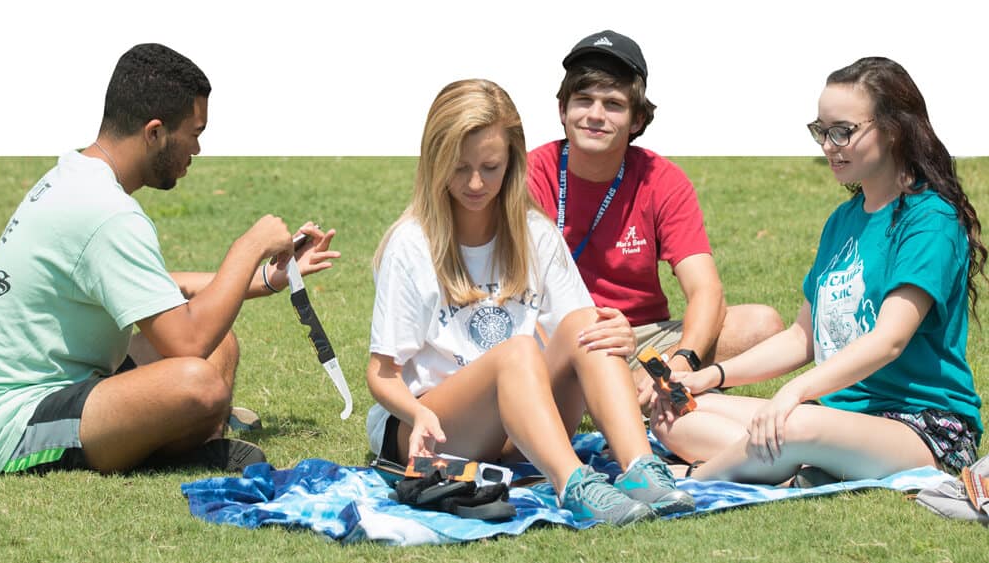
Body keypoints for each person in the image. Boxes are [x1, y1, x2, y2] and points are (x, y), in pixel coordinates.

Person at [0, 43, 339, 476]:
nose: (198, 148)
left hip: (71, 387)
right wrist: (247, 247)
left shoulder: (77, 176)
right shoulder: (107, 213)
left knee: (219, 346)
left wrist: (267, 276)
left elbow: (154, 286)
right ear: (154, 132)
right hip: (18, 421)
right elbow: (187, 342)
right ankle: (169, 444)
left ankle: (175, 437)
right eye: (195, 132)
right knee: (198, 380)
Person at [365, 79, 695, 525]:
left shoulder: (533, 231)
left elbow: (582, 331)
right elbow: (381, 375)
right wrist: (417, 412)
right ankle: (574, 484)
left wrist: (613, 330)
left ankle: (640, 469)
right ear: (434, 161)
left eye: (491, 166)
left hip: (520, 421)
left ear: (513, 162)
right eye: (460, 168)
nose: (476, 183)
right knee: (518, 350)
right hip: (431, 428)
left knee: (585, 321)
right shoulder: (411, 244)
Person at [651, 57, 985, 484]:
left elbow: (889, 340)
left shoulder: (930, 219)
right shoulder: (842, 221)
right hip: (836, 417)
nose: (829, 145)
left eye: (842, 131)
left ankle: (686, 482)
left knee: (793, 425)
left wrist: (795, 392)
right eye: (821, 131)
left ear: (894, 129)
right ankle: (799, 465)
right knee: (674, 411)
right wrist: (708, 378)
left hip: (920, 428)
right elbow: (801, 337)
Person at [527, 30, 785, 412]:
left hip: (640, 338)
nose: (595, 115)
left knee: (763, 326)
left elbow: (706, 292)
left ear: (637, 119)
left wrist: (679, 362)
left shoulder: (661, 179)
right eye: (583, 100)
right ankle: (610, 394)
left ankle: (630, 390)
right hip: (554, 336)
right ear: (562, 110)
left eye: (613, 104)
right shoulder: (532, 173)